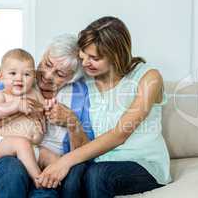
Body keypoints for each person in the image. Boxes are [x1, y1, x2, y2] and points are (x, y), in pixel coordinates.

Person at [37, 16, 172, 198]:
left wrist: (65, 161)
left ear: (115, 55)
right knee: (73, 177)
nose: (85, 63)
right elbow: (52, 80)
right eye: (83, 55)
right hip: (98, 161)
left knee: (97, 175)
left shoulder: (148, 78)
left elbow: (120, 134)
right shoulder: (86, 81)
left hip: (142, 163)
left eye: (94, 58)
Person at [0, 34, 94, 198]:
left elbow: (86, 152)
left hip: (47, 162)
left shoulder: (80, 94)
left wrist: (71, 121)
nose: (47, 75)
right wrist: (16, 108)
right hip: (8, 160)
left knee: (51, 185)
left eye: (60, 74)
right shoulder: (16, 79)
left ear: (72, 77)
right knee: (13, 170)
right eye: (47, 64)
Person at [0, 48, 46, 187]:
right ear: (0, 76)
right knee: (21, 143)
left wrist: (49, 108)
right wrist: (16, 105)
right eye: (12, 73)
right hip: (6, 145)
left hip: (34, 146)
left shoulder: (35, 93)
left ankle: (57, 182)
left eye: (26, 74)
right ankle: (38, 178)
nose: (19, 78)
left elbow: (44, 110)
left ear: (34, 77)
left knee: (52, 157)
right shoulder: (0, 95)